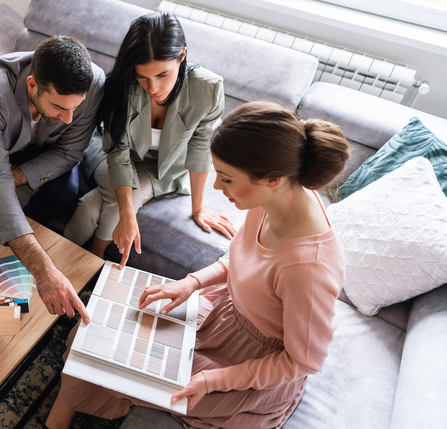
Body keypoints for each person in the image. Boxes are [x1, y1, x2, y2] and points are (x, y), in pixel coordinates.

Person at [45, 100, 350, 429]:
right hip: (222, 313)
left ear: (273, 179)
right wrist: (191, 282)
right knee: (96, 333)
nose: (217, 187)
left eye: (227, 180)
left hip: (246, 364)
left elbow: (303, 361)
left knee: (108, 365)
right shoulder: (276, 197)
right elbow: (240, 258)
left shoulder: (308, 269)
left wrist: (212, 382)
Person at [0, 36, 105, 323]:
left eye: (75, 108)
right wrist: (44, 271)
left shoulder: (94, 81)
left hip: (46, 155)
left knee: (63, 196)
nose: (68, 118)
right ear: (32, 85)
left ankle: (5, 238)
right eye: (59, 107)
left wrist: (9, 179)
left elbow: (70, 151)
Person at [63, 12, 235, 267]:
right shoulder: (122, 85)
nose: (152, 87)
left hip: (162, 170)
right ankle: (80, 261)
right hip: (111, 155)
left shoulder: (207, 89)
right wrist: (127, 214)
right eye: (142, 76)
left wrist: (198, 208)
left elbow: (199, 149)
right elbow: (118, 153)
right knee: (124, 202)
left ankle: (81, 258)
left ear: (182, 56)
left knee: (90, 207)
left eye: (162, 75)